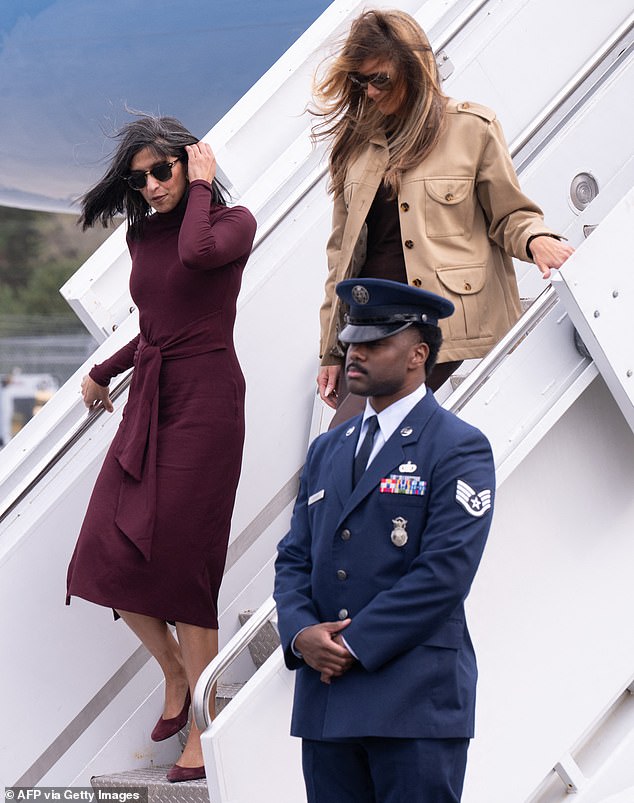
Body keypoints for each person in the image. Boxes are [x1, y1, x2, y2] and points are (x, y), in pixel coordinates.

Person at [66, 115, 257, 783]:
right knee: (103, 548)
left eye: (161, 170)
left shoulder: (232, 224)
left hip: (207, 404)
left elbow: (200, 255)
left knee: (183, 568)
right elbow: (155, 324)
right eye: (138, 176)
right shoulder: (140, 232)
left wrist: (202, 184)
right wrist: (104, 369)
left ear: (188, 162)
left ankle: (203, 731)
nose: (149, 185)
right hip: (153, 396)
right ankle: (176, 670)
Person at [274, 277, 496, 802]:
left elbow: (443, 574)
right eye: (352, 341)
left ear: (419, 353)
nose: (356, 353)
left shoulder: (458, 446)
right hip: (327, 702)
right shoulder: (330, 448)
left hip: (413, 700)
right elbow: (294, 558)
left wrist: (351, 643)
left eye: (375, 343)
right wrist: (301, 634)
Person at [313, 9, 574, 418]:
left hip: (436, 321)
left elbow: (510, 215)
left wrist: (538, 239)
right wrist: (330, 350)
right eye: (361, 81)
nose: (371, 92)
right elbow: (340, 258)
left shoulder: (472, 128)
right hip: (367, 321)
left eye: (380, 78)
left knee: (350, 440)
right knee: (355, 454)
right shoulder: (355, 147)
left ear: (414, 69)